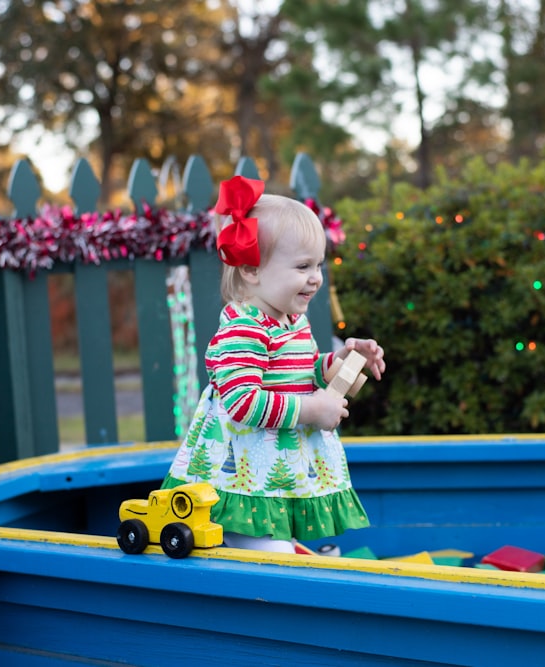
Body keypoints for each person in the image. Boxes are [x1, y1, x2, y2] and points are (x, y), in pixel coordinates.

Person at [161, 175, 386, 553]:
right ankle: (266, 557)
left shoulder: (291, 320)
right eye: (302, 267)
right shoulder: (244, 329)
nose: (315, 279)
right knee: (268, 550)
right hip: (239, 477)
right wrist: (313, 408)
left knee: (276, 539)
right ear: (252, 270)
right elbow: (242, 401)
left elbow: (298, 370)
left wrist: (339, 362)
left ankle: (283, 551)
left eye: (318, 266)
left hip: (271, 469)